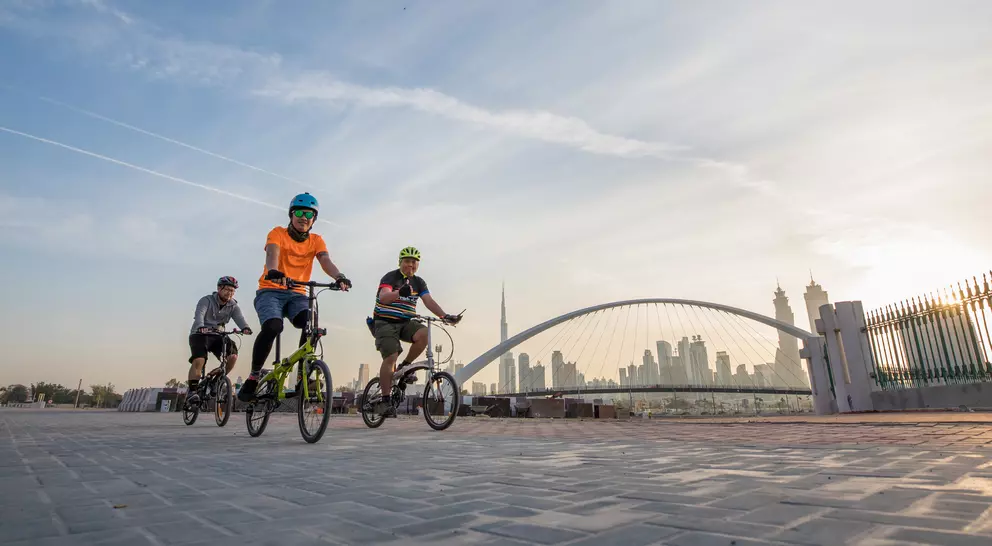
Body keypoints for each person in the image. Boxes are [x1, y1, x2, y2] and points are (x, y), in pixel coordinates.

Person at [238, 193, 351, 402]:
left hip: (297, 293)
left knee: (310, 324)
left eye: (309, 214)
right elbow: (272, 254)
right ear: (291, 215)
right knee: (273, 326)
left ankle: (302, 374)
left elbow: (325, 261)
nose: (304, 217)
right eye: (299, 212)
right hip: (271, 289)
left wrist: (339, 276)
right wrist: (273, 271)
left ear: (314, 219)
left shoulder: (316, 240)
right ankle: (254, 376)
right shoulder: (277, 233)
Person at [371, 246, 461, 415]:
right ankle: (384, 400)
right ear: (400, 262)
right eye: (407, 261)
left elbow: (429, 301)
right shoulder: (391, 277)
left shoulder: (418, 282)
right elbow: (383, 296)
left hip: (405, 322)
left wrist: (445, 316)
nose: (410, 265)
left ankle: (405, 367)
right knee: (391, 356)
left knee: (424, 334)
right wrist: (399, 293)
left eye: (414, 262)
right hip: (385, 322)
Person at [187, 276, 252, 405]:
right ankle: (192, 391)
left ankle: (216, 381)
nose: (230, 293)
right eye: (227, 289)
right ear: (219, 288)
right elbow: (199, 314)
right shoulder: (206, 300)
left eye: (232, 291)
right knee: (199, 360)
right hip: (200, 334)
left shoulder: (233, 305)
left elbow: (239, 318)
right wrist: (201, 326)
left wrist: (245, 327)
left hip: (218, 335)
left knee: (232, 356)